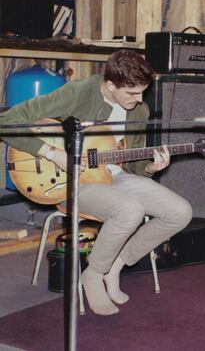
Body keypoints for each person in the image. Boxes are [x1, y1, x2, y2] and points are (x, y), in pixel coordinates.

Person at [0, 50, 192, 315]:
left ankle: (115, 266)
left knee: (180, 212)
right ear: (111, 84)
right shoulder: (79, 93)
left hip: (115, 176)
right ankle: (93, 275)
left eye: (142, 93)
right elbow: (6, 121)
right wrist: (53, 154)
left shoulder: (139, 111)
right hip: (73, 181)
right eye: (132, 93)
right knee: (129, 210)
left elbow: (134, 166)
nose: (139, 100)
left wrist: (150, 166)